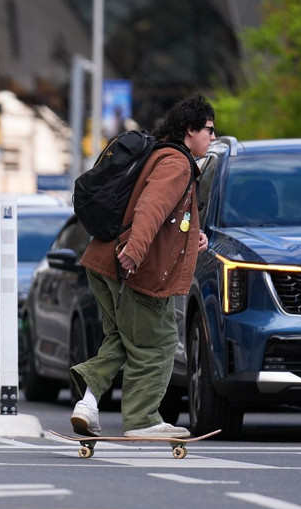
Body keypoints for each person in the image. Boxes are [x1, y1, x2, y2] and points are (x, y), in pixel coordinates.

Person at [69, 94, 215, 439]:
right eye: (208, 129)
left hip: (103, 260)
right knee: (158, 343)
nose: (212, 136)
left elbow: (166, 218)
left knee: (123, 339)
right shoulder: (176, 164)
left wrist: (193, 236)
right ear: (190, 129)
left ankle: (87, 405)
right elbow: (150, 208)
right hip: (133, 269)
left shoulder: (156, 155)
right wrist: (135, 251)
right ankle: (142, 419)